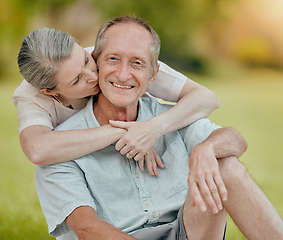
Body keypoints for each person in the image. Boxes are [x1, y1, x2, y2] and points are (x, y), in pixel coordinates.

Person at [35, 16, 283, 240]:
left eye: (137, 63)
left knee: (227, 166)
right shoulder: (61, 147)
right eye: (113, 59)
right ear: (96, 62)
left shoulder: (171, 117)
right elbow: (87, 230)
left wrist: (207, 149)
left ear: (153, 74)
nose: (123, 75)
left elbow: (237, 141)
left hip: (189, 231)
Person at [12, 27, 220, 175]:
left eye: (86, 60)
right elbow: (38, 150)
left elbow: (206, 99)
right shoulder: (30, 97)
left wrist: (152, 128)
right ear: (49, 91)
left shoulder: (112, 59)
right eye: (77, 80)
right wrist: (125, 131)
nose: (93, 76)